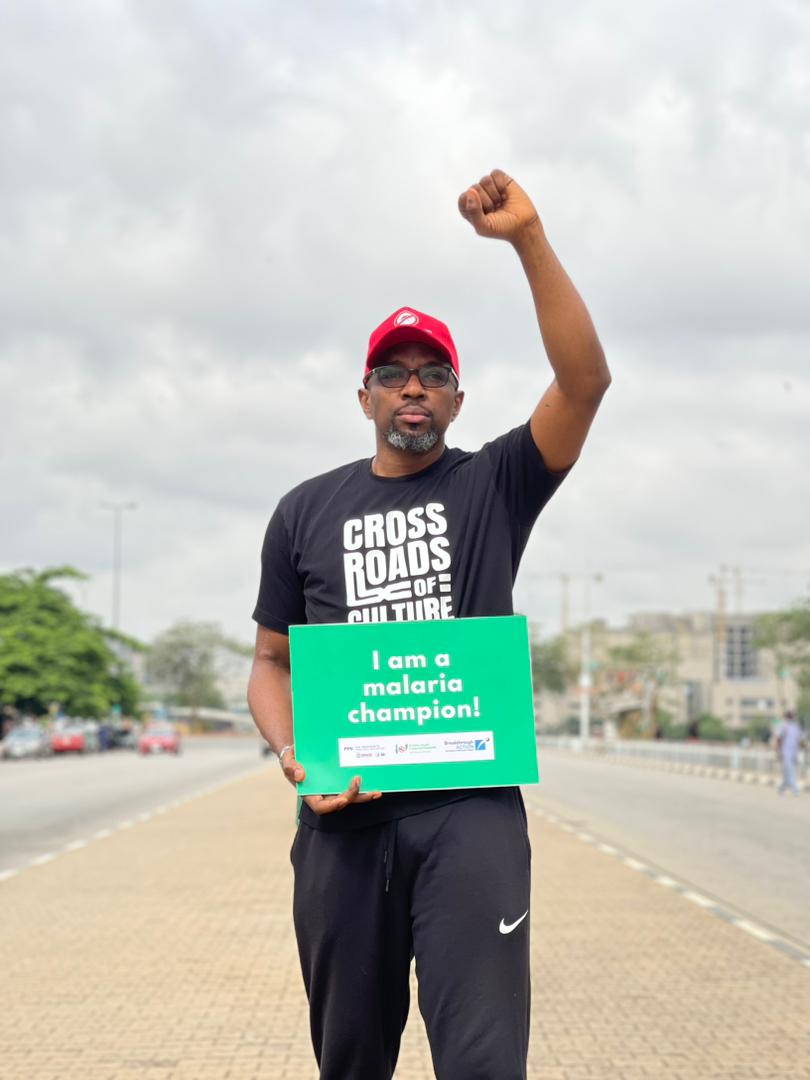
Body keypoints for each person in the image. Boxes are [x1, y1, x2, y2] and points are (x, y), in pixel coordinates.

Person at [248, 169, 610, 1080]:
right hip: (343, 821)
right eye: (393, 374)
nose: (413, 387)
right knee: (350, 1060)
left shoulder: (494, 484)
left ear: (457, 399)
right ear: (364, 396)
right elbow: (270, 661)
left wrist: (527, 238)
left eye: (434, 374)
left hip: (469, 816)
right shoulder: (303, 511)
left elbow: (584, 382)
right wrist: (296, 757)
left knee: (484, 1063)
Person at [775, 710, 804, 796]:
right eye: (791, 715)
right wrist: (778, 751)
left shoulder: (796, 726)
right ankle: (795, 790)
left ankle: (781, 788)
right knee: (791, 771)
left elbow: (800, 739)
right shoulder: (783, 726)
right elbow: (778, 738)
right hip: (785, 752)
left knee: (787, 773)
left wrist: (803, 748)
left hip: (794, 752)